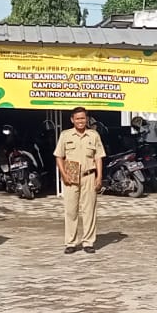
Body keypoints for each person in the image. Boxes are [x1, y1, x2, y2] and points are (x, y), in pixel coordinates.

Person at [55, 107, 106, 254]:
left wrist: (99, 177)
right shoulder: (65, 135)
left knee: (89, 210)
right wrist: (63, 174)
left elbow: (98, 157)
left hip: (89, 175)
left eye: (83, 118)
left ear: (87, 119)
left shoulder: (93, 135)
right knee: (71, 210)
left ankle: (88, 242)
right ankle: (71, 242)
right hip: (71, 175)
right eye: (77, 119)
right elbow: (59, 156)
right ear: (72, 120)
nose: (80, 121)